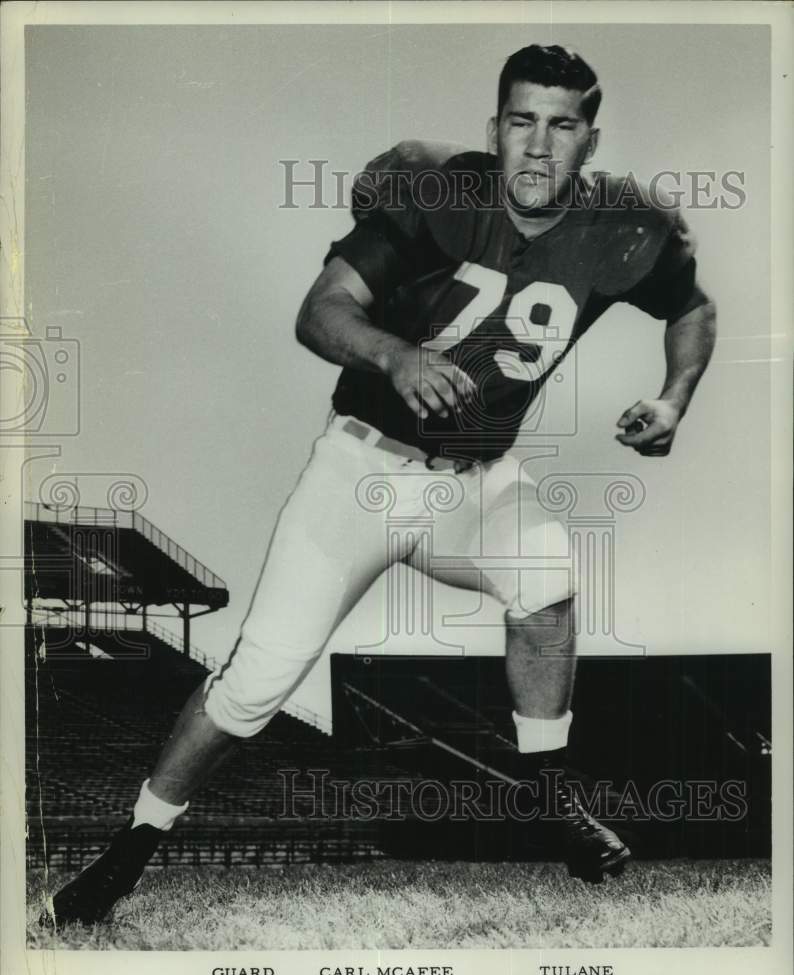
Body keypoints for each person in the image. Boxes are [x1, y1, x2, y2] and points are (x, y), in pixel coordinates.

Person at [46, 44, 715, 927]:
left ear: (591, 140)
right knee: (253, 686)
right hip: (362, 471)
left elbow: (692, 307)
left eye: (562, 127)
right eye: (521, 123)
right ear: (495, 129)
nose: (538, 147)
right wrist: (395, 353)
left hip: (478, 483)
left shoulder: (627, 228)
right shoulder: (438, 196)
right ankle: (128, 854)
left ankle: (550, 792)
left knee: (548, 585)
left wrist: (673, 400)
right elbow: (320, 309)